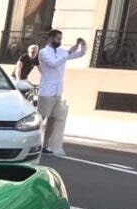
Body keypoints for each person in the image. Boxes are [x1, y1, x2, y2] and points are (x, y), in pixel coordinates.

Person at [37, 29, 87, 157]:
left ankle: (45, 145)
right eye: (58, 39)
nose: (60, 41)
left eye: (61, 39)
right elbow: (53, 64)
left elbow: (79, 54)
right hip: (46, 91)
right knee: (40, 119)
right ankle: (34, 143)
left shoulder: (61, 52)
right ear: (50, 38)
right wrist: (68, 53)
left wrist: (82, 45)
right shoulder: (43, 52)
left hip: (57, 91)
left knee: (52, 119)